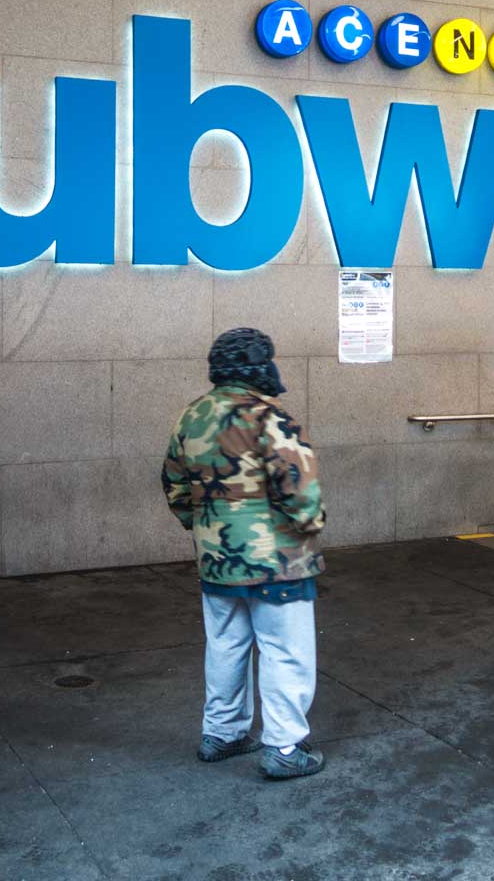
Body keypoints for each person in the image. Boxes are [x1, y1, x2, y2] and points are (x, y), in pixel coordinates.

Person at [162, 327, 328, 780]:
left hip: (217, 559)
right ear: (258, 365)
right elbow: (303, 495)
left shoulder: (191, 416)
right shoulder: (269, 416)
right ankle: (284, 746)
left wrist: (204, 529)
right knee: (285, 651)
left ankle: (223, 733)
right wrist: (309, 530)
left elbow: (175, 485)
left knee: (226, 645)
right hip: (278, 563)